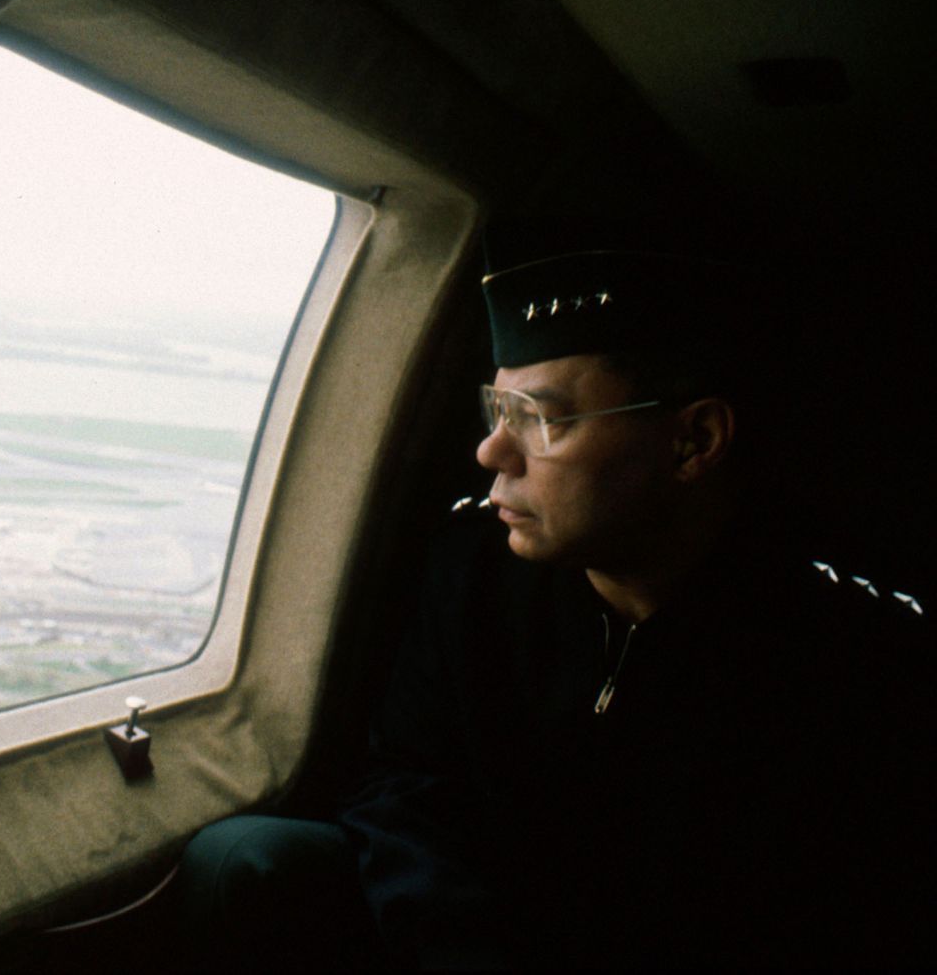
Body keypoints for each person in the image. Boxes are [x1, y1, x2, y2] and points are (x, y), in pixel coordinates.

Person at [176, 249, 933, 969]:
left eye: (541, 419)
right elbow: (407, 787)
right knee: (244, 859)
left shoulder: (852, 655)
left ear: (693, 441)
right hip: (490, 942)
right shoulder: (472, 569)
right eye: (496, 410)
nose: (492, 454)